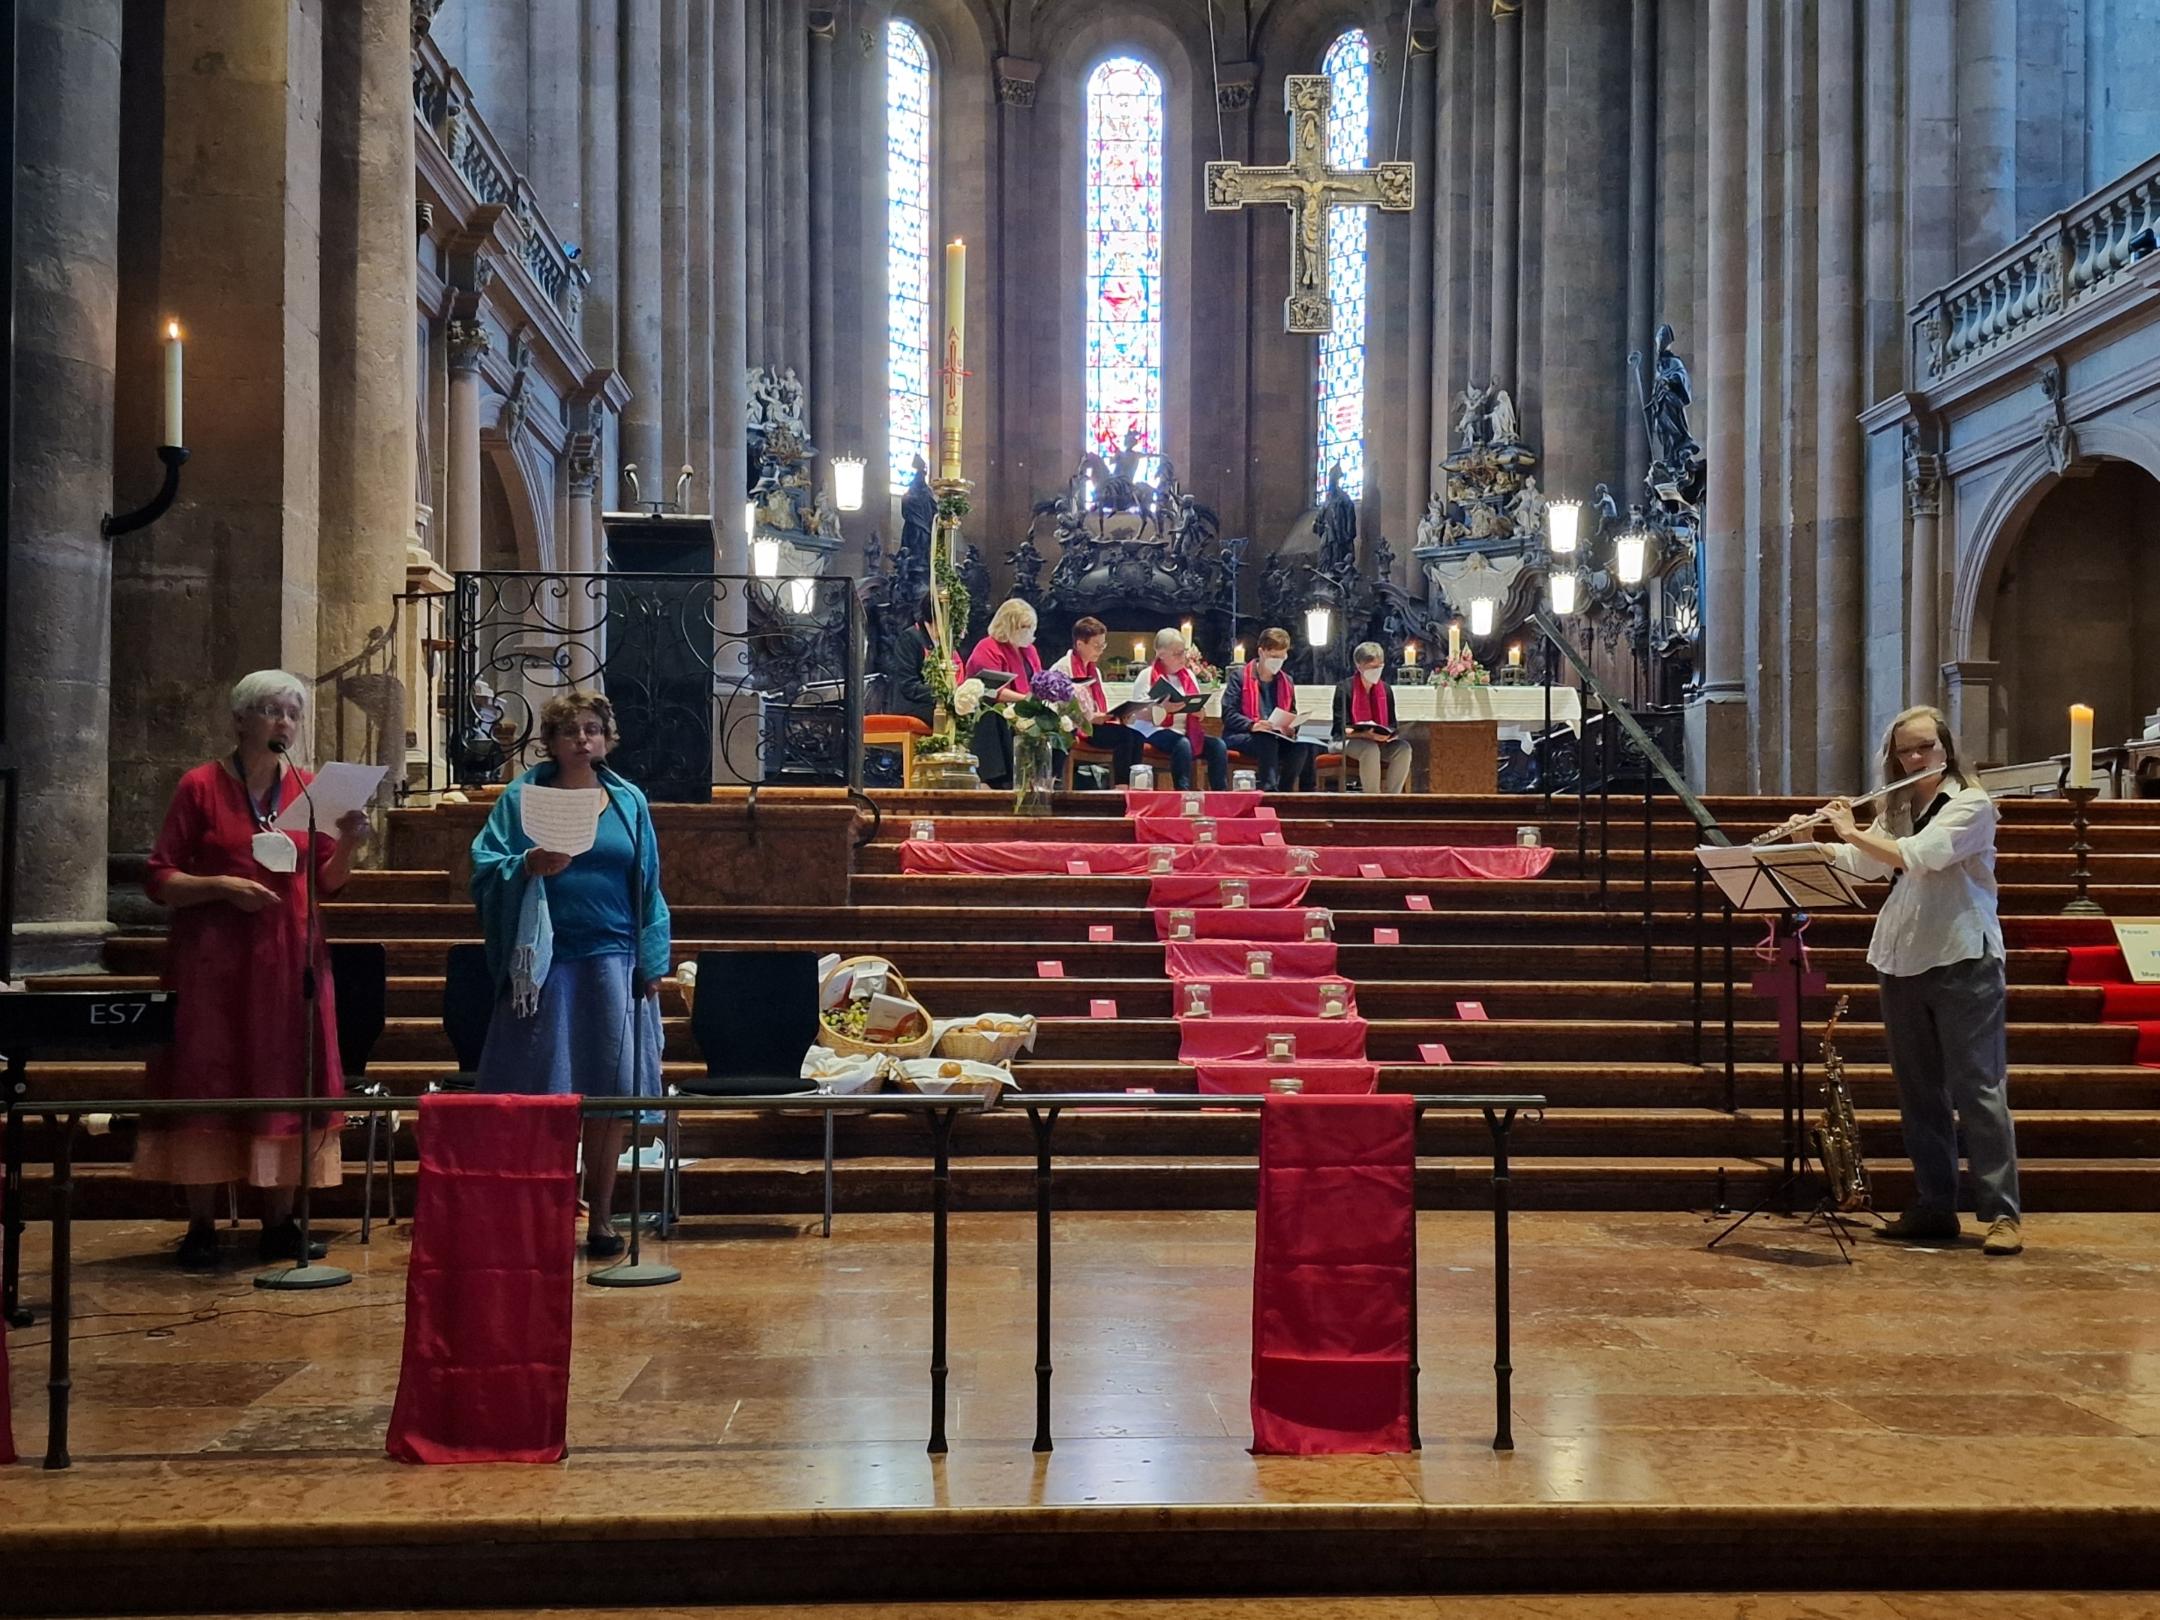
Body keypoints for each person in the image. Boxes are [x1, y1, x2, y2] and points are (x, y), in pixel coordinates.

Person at [136, 670, 370, 1270]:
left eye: (292, 712)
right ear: (240, 719)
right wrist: (220, 885)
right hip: (212, 962)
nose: (283, 722)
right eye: (271, 710)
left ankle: (279, 1222)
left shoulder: (308, 790)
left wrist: (349, 842)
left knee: (284, 1076)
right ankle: (201, 1225)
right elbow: (160, 876)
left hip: (289, 959)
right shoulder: (201, 785)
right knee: (206, 1076)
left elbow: (327, 882)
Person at [1775, 704, 2022, 1256]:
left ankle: (2002, 1213)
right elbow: (1868, 864)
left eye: (1925, 747)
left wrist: (1851, 829)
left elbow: (1920, 857)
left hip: (1964, 956)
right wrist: (1817, 841)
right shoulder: (1900, 805)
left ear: (1946, 748)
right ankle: (1934, 1207)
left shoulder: (1972, 804)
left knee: (1979, 1090)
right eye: (1905, 751)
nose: (1915, 758)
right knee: (1919, 1094)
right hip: (1904, 958)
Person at [470, 692, 672, 1260]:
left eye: (592, 729)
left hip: (614, 963)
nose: (583, 739)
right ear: (552, 743)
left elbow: (650, 885)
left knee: (609, 1098)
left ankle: (602, 1218)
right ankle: (544, 1215)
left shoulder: (629, 801)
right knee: (544, 1094)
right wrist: (526, 864)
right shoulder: (521, 797)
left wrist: (652, 960)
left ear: (607, 738)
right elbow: (484, 867)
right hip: (545, 967)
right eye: (570, 731)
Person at [1050, 615, 1145, 787]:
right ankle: (1121, 787)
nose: (1101, 650)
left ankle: (1134, 786)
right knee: (1124, 737)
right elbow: (1059, 708)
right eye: (1096, 645)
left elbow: (1097, 705)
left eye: (1103, 645)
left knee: (1137, 736)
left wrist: (1116, 715)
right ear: (1080, 644)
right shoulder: (1063, 668)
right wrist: (1090, 717)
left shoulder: (1095, 670)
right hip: (1075, 727)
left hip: (1094, 724)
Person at [1222, 627, 1319, 792]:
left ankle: (1286, 791)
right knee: (1266, 739)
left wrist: (1291, 726)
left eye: (1282, 657)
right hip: (1242, 735)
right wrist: (1253, 725)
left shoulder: (1286, 681)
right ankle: (1269, 790)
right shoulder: (1239, 677)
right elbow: (1228, 714)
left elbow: (1291, 712)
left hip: (1276, 736)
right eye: (1274, 657)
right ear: (1261, 652)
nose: (1278, 662)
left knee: (1301, 746)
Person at [1131, 627, 1228, 791]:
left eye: (1183, 652)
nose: (1182, 658)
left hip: (1185, 730)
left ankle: (1221, 794)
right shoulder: (1146, 675)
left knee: (1218, 746)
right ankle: (1183, 792)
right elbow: (1136, 713)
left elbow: (1200, 710)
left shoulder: (1188, 676)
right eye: (1177, 654)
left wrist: (1199, 712)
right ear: (1161, 654)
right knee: (1182, 744)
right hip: (1154, 730)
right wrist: (1163, 709)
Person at [964, 597, 1042, 789]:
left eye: (1031, 627)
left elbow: (1039, 680)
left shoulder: (1030, 650)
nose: (1028, 631)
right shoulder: (987, 647)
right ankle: (997, 780)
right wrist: (1025, 699)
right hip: (996, 704)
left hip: (1025, 705)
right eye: (1023, 627)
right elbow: (990, 689)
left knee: (1058, 721)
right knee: (994, 713)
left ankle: (1045, 778)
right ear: (1008, 626)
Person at [1334, 641, 1413, 794]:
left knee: (1403, 748)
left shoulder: (1386, 689)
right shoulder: (1345, 688)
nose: (1376, 671)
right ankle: (1373, 798)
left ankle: (1393, 798)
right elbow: (1340, 728)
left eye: (1380, 667)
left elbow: (1391, 723)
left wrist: (1389, 734)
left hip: (1378, 742)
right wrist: (1365, 734)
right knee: (1370, 749)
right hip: (1346, 741)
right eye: (1372, 667)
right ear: (1359, 666)